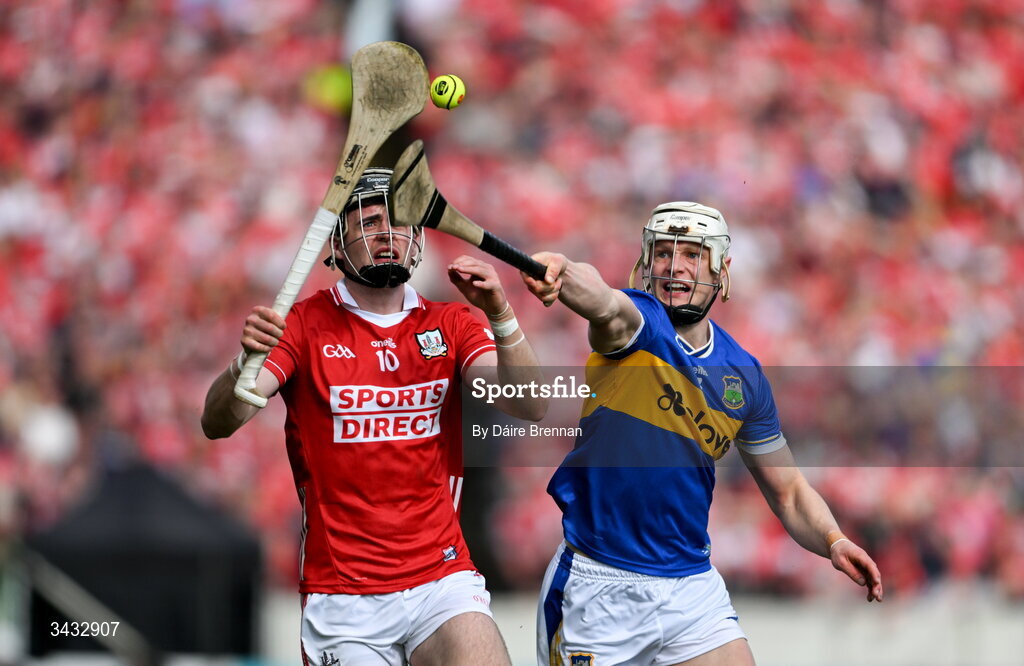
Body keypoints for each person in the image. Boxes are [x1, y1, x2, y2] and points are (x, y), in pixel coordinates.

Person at [202, 168, 547, 666]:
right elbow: (219, 421)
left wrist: (502, 314)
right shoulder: (303, 326)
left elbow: (530, 404)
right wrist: (243, 362)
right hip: (343, 593)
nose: (387, 232)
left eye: (401, 222)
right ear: (337, 247)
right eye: (368, 219)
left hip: (441, 577)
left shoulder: (450, 323)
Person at [521, 201, 883, 665]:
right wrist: (566, 271)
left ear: (720, 269)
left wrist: (835, 541)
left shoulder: (744, 374)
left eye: (693, 254)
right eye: (664, 254)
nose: (675, 267)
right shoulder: (638, 326)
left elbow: (789, 491)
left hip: (691, 587)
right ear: (645, 263)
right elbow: (604, 300)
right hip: (598, 585)